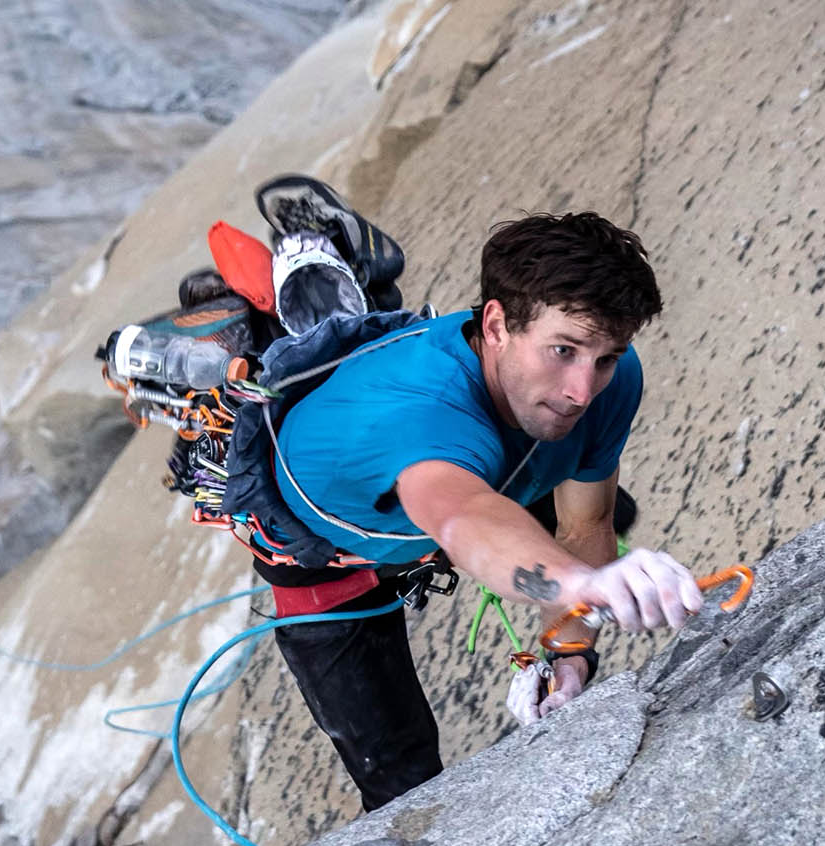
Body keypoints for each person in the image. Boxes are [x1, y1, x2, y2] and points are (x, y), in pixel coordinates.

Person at [251, 209, 704, 812]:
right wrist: (581, 582)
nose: (582, 390)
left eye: (605, 357)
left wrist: (570, 652)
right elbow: (461, 518)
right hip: (329, 560)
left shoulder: (608, 382)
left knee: (608, 511)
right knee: (400, 778)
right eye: (563, 350)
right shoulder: (421, 414)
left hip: (477, 488)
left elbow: (585, 522)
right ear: (495, 324)